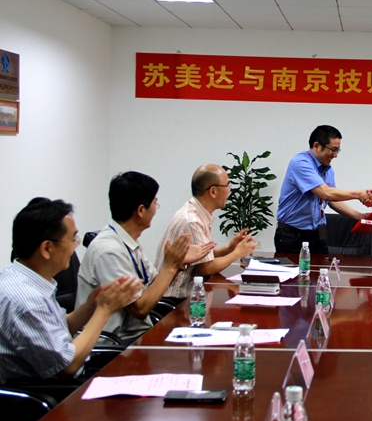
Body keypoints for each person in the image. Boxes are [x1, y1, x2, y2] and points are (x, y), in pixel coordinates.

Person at [0, 198, 141, 384]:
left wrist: (91, 306)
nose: (75, 246)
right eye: (73, 239)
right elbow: (67, 367)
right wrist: (104, 311)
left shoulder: (21, 277)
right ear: (47, 248)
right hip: (56, 392)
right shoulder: (26, 299)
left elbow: (55, 329)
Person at [77, 172, 214, 341]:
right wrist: (170, 266)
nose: (156, 208)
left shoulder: (128, 242)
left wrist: (178, 263)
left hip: (135, 336)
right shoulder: (109, 251)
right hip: (115, 344)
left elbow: (154, 285)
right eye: (155, 202)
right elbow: (140, 309)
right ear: (141, 210)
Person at [155, 164, 257, 302]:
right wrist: (237, 253)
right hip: (174, 300)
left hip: (187, 295)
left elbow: (201, 257)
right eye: (227, 185)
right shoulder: (192, 221)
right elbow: (206, 268)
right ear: (213, 191)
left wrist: (229, 249)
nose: (229, 191)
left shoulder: (196, 213)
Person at [275, 125, 372, 254]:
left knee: (324, 267)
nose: (335, 155)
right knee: (293, 268)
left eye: (338, 150)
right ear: (316, 146)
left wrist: (360, 216)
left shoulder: (327, 169)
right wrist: (359, 194)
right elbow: (325, 193)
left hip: (318, 235)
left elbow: (332, 199)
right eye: (333, 150)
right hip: (292, 236)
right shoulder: (300, 163)